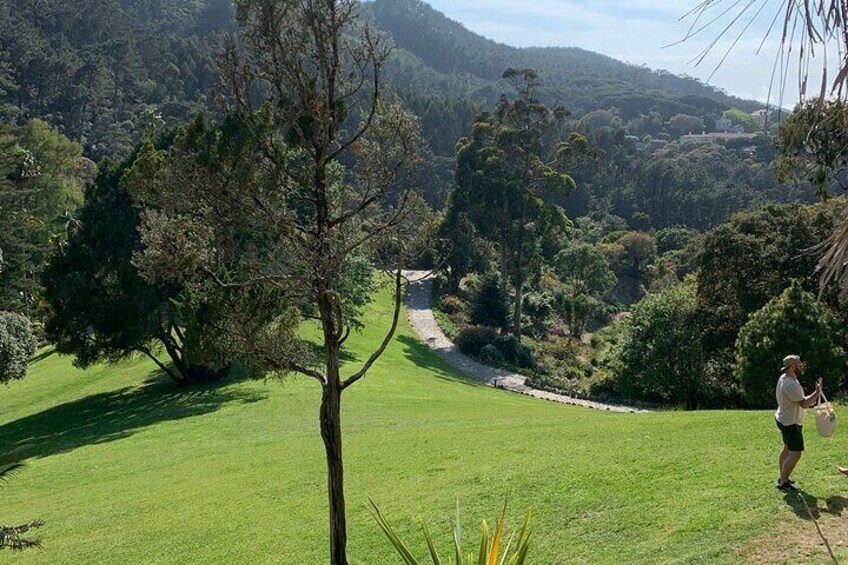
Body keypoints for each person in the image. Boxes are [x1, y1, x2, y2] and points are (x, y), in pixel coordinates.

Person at [775, 355, 822, 492]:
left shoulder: (784, 378)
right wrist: (817, 392)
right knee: (795, 453)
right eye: (799, 364)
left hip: (783, 419)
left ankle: (783, 477)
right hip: (790, 423)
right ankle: (783, 483)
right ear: (792, 367)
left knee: (787, 449)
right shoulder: (791, 384)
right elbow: (804, 403)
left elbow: (801, 401)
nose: (801, 366)